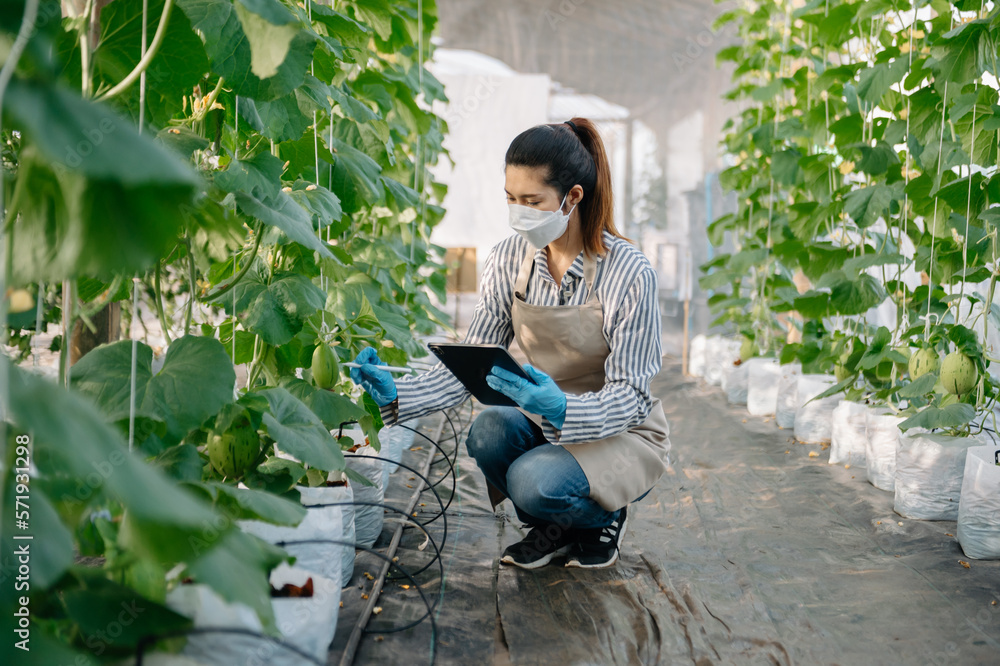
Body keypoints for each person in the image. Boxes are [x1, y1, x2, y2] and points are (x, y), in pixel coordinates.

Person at [350, 117, 670, 570]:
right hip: (545, 419)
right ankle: (552, 529)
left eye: (532, 200)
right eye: (511, 198)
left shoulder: (628, 273)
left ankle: (602, 515)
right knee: (489, 431)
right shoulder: (507, 260)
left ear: (572, 197)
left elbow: (632, 397)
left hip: (616, 431)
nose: (519, 211)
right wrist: (399, 393)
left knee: (531, 480)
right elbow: (474, 361)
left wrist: (562, 409)